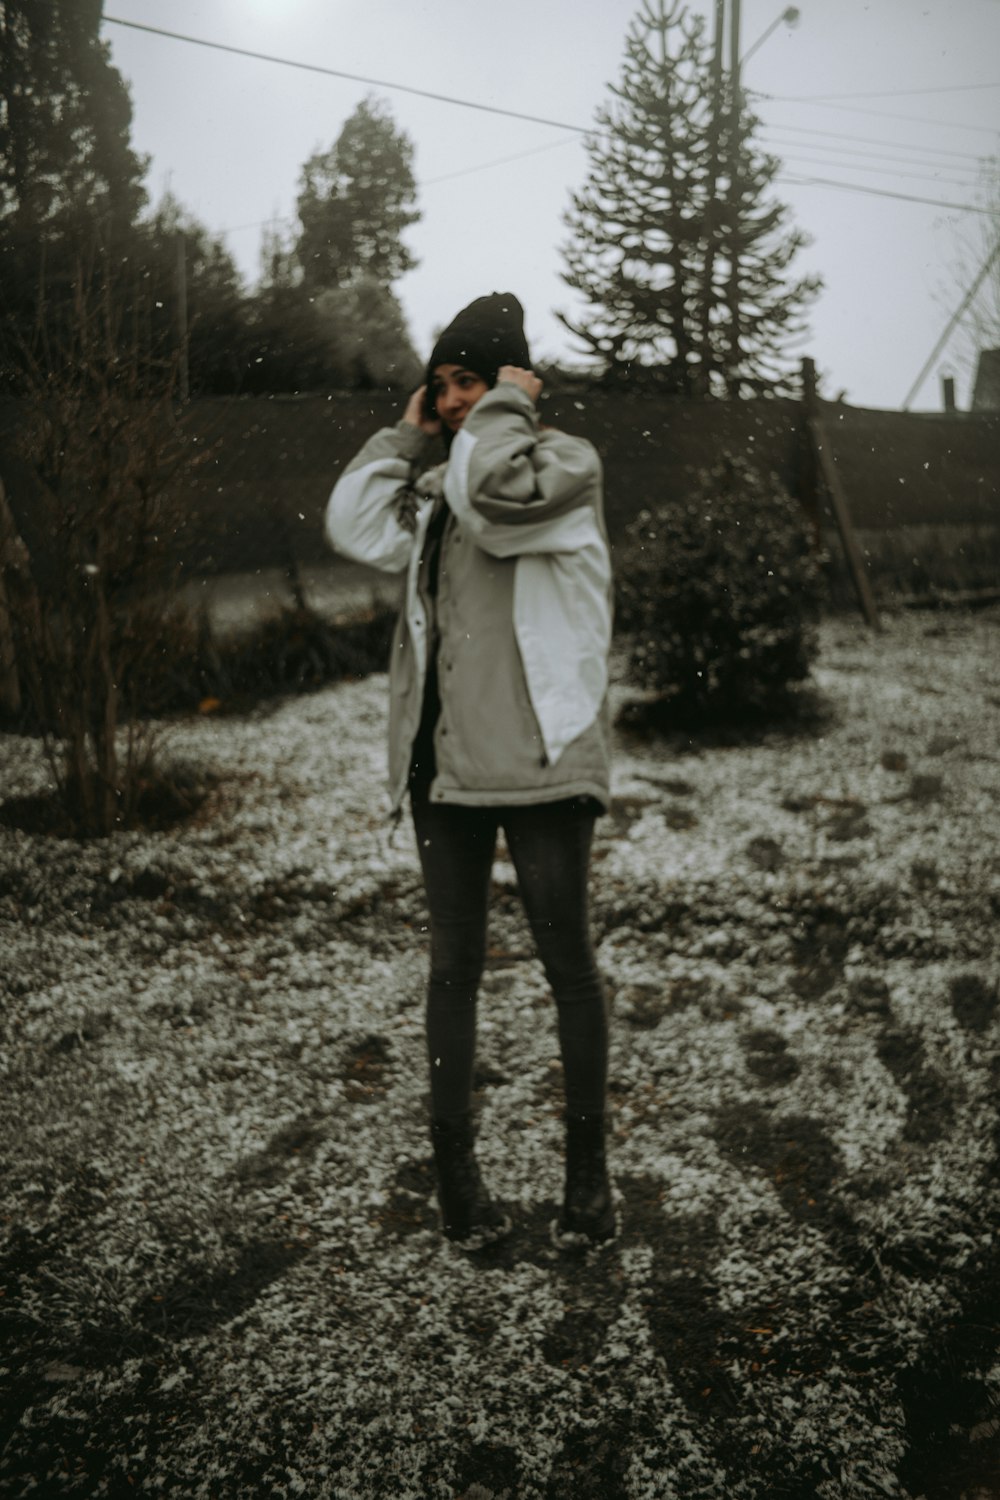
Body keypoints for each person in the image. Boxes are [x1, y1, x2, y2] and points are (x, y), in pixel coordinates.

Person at [324, 292, 615, 1251]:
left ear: (513, 385)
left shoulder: (561, 464)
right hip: (439, 768)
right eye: (440, 384)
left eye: (468, 381)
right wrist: (403, 440)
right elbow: (353, 527)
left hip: (538, 763)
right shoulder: (441, 479)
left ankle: (587, 1189)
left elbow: (496, 495)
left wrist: (499, 410)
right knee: (453, 973)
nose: (450, 401)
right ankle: (459, 1185)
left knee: (567, 968)